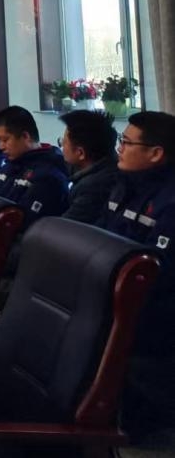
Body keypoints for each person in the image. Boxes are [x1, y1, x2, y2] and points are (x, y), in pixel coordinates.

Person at [96, 111, 175, 440]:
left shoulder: (169, 201)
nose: (120, 149)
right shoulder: (122, 184)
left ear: (156, 153)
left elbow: (159, 273)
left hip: (152, 313)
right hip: (108, 291)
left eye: (127, 143)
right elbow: (99, 237)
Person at [0, 105, 69, 230]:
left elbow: (24, 223)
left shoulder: (49, 175)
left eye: (5, 140)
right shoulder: (9, 165)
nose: (1, 147)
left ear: (26, 136)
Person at [59, 109, 119, 223]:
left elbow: (64, 228)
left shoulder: (94, 188)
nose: (61, 145)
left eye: (64, 142)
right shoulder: (108, 161)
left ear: (80, 153)